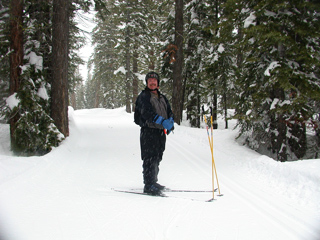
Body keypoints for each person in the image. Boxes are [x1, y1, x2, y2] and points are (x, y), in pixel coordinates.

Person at [134, 71, 174, 196]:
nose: (152, 82)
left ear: (158, 83)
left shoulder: (162, 97)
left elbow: (169, 111)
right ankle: (148, 184)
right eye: (150, 81)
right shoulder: (144, 96)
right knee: (149, 157)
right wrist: (161, 120)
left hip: (160, 132)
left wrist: (170, 122)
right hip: (148, 131)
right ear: (147, 82)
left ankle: (154, 181)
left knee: (157, 156)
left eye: (154, 81)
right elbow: (146, 113)